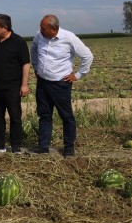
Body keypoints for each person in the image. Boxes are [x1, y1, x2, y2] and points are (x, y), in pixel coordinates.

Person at [31, 14, 94, 157]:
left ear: (53, 29)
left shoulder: (69, 38)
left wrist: (78, 75)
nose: (40, 30)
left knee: (66, 116)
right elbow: (33, 49)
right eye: (40, 27)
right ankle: (43, 146)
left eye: (43, 28)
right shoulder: (39, 36)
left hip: (61, 84)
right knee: (44, 115)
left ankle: (69, 147)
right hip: (42, 82)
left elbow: (87, 56)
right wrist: (36, 67)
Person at [0, 14, 30, 154]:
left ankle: (16, 146)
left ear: (5, 27)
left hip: (13, 88)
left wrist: (24, 85)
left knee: (15, 116)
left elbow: (25, 64)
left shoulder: (18, 42)